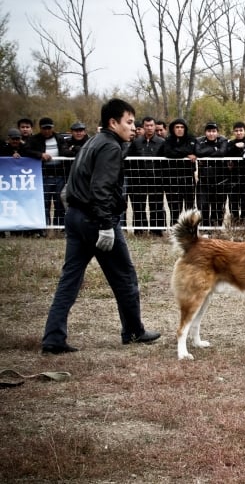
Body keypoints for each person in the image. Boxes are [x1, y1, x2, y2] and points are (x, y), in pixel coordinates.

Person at [41, 98, 161, 354]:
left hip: (75, 217)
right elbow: (101, 188)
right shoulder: (109, 147)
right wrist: (106, 225)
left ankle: (53, 337)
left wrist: (73, 206)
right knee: (125, 277)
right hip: (95, 220)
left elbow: (75, 180)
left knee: (69, 280)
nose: (134, 127)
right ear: (112, 122)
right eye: (129, 122)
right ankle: (133, 331)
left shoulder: (92, 142)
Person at [25, 117, 70, 229]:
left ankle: (58, 227)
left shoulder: (59, 138)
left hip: (59, 175)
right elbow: (26, 150)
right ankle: (44, 227)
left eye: (49, 128)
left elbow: (65, 150)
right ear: (40, 128)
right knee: (44, 203)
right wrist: (40, 154)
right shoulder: (34, 139)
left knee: (59, 202)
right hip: (42, 176)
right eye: (44, 128)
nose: (47, 130)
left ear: (52, 128)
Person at [127, 116, 165, 233]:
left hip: (156, 179)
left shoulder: (161, 142)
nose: (149, 128)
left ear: (154, 126)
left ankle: (156, 230)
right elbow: (129, 160)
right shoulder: (136, 142)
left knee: (156, 206)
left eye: (151, 125)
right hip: (139, 180)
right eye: (147, 126)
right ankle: (139, 230)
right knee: (138, 206)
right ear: (143, 127)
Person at [159, 118, 197, 225]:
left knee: (189, 206)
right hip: (172, 178)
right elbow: (168, 152)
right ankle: (174, 230)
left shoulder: (191, 138)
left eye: (182, 127)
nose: (180, 129)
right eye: (177, 127)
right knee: (174, 207)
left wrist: (179, 151)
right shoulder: (168, 140)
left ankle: (190, 230)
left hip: (188, 177)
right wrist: (185, 154)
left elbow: (191, 150)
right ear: (173, 129)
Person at [195, 121, 229, 227]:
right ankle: (205, 228)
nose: (211, 134)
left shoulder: (223, 140)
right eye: (209, 131)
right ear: (205, 132)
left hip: (220, 181)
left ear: (217, 132)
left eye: (214, 131)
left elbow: (222, 152)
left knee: (218, 208)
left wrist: (206, 153)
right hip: (204, 181)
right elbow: (198, 152)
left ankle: (216, 229)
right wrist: (214, 150)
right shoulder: (199, 141)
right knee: (203, 206)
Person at [226, 121, 245, 225]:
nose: (238, 133)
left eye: (241, 130)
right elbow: (226, 153)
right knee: (233, 203)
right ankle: (235, 226)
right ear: (233, 132)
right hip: (233, 177)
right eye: (236, 131)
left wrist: (242, 148)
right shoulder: (231, 143)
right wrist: (236, 147)